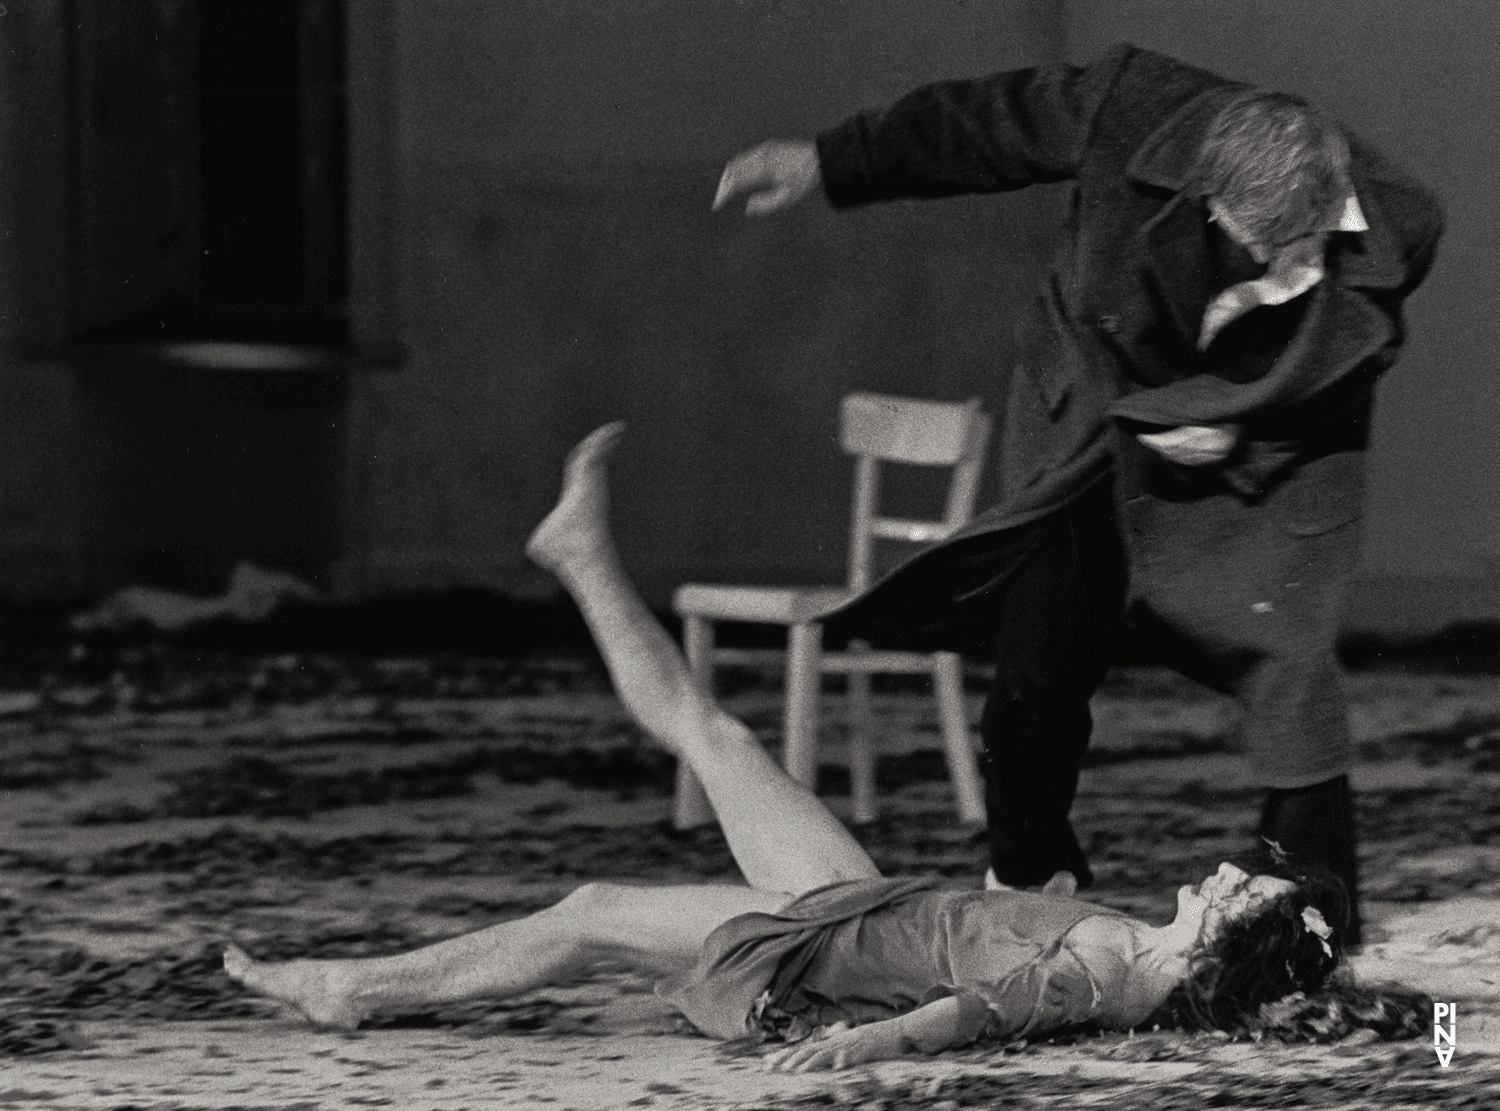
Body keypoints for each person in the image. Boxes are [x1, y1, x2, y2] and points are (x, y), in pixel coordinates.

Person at [224, 423, 1411, 1069]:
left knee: (591, 909)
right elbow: (1376, 1008)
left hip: (814, 962)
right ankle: (580, 556)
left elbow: (975, 1015)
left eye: (1233, 886)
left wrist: (864, 1052)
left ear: (1222, 939)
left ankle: (349, 987)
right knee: (720, 731)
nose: (1218, 869)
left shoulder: (1106, 969)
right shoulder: (1162, 952)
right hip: (859, 902)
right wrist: (1411, 1012)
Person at [711, 45, 1445, 942]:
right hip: (1092, 418)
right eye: (1256, 243)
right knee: (1042, 653)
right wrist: (832, 159)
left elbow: (1361, 342)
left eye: (1295, 243)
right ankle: (1029, 869)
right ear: (1207, 198)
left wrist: (1234, 415)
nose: (1274, 261)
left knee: (1288, 659)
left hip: (1256, 449)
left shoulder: (1396, 218)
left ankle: (1313, 908)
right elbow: (981, 126)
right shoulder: (1127, 107)